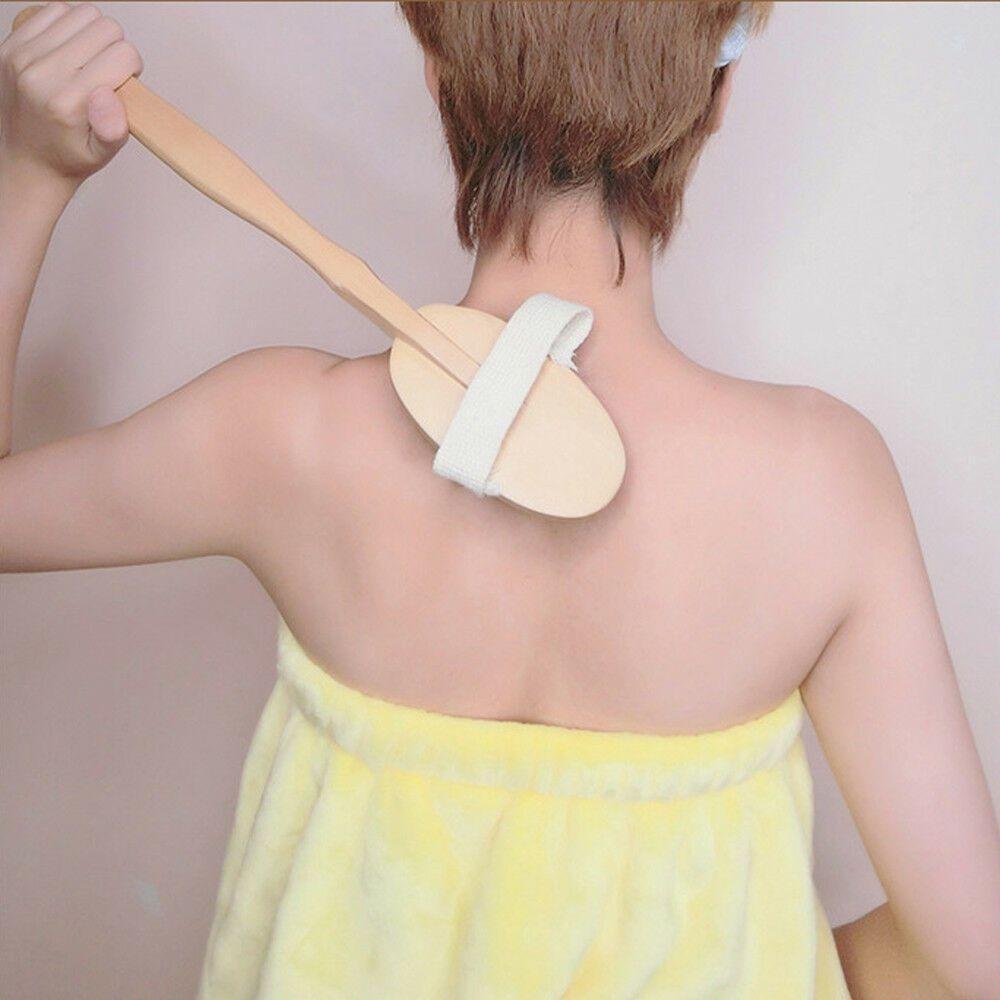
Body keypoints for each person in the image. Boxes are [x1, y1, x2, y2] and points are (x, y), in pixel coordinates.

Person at [1, 2, 998, 997]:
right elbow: (971, 961)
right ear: (716, 94)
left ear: (438, 74)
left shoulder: (282, 435)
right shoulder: (821, 485)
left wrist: (29, 171)